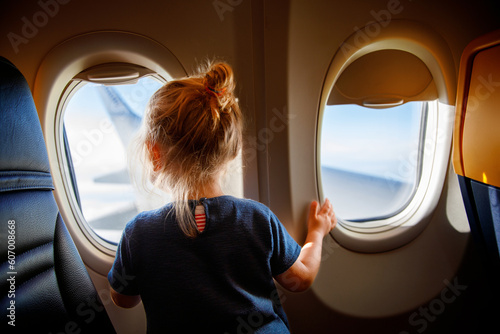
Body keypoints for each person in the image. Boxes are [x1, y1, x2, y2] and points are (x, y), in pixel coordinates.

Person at [108, 61, 337, 333]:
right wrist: (317, 233)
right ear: (231, 152)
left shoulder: (139, 233)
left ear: (154, 153)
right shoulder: (257, 219)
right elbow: (301, 279)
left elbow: (122, 299)